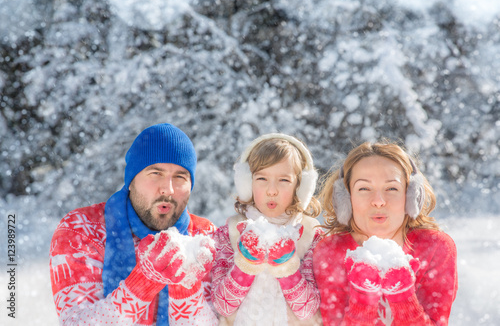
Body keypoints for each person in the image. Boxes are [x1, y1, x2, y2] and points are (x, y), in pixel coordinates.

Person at [49, 123, 218, 325]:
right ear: (132, 180)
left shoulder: (206, 237)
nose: (168, 189)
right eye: (156, 173)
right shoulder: (81, 230)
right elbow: (76, 322)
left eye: (180, 177)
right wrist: (145, 280)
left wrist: (186, 288)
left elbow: (225, 320)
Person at [313, 140, 458, 325]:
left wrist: (403, 298)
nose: (379, 201)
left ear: (411, 196)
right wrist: (363, 300)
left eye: (392, 188)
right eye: (364, 188)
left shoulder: (436, 248)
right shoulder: (330, 251)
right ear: (346, 199)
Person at [211, 133, 324, 325]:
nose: (272, 190)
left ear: (300, 187)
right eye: (262, 178)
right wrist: (245, 265)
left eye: (284, 180)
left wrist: (286, 267)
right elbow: (222, 307)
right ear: (247, 183)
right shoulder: (231, 233)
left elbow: (309, 312)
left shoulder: (310, 236)